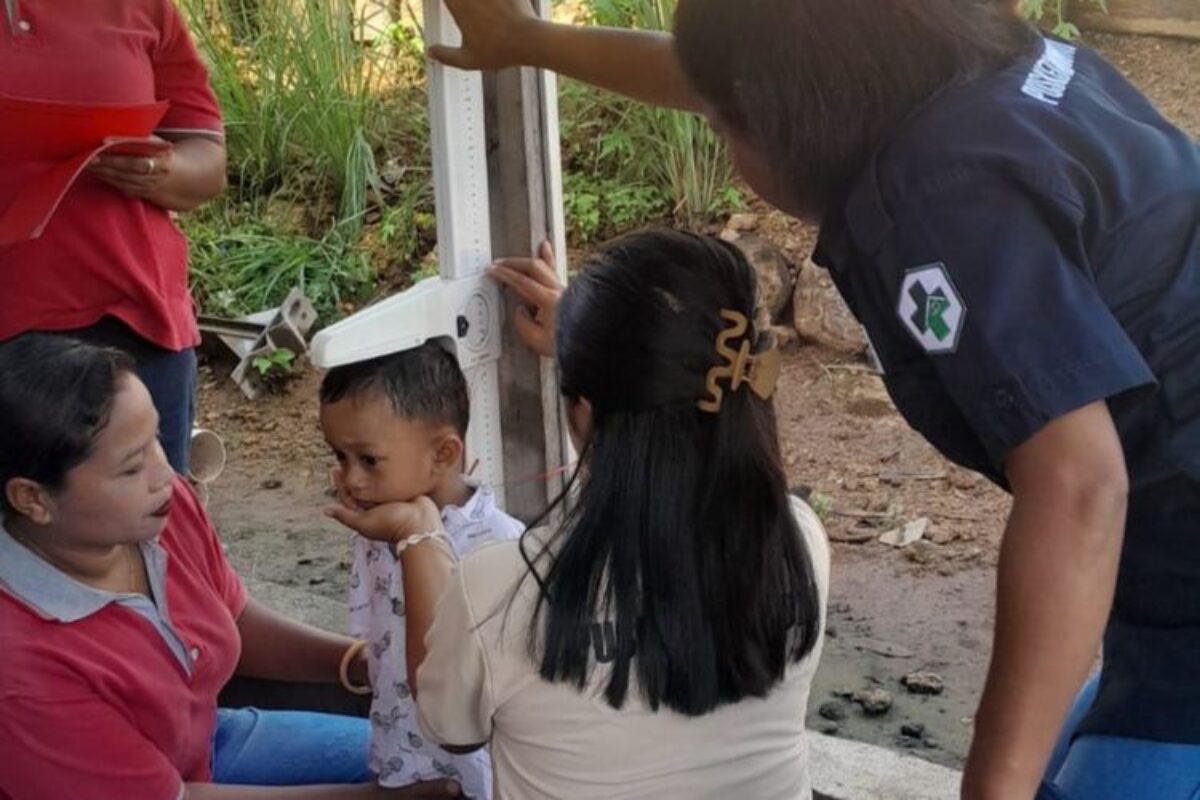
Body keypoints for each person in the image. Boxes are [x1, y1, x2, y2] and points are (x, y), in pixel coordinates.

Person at [426, 2, 1200, 798]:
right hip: (1159, 585)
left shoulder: (944, 195)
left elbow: (1076, 488)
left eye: (730, 130)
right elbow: (724, 83)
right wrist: (525, 41)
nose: (728, 155)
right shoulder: (984, 65)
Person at [336, 231, 831, 799]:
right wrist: (589, 339)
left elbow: (446, 727)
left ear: (584, 413)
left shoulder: (501, 592)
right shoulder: (798, 545)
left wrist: (419, 535)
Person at [0, 333, 463, 800]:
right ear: (33, 499)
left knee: (438, 767)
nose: (165, 474)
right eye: (131, 467)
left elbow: (229, 613)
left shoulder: (158, 510)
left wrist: (360, 661)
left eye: (156, 441)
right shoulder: (19, 670)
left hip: (206, 743)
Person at [0, 0, 229, 473]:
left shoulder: (144, 7)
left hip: (139, 326)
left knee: (153, 537)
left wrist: (157, 170)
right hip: (10, 330)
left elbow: (207, 161)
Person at [319, 342, 524, 798]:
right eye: (339, 457)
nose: (350, 480)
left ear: (444, 455)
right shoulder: (379, 525)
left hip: (478, 776)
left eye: (368, 460)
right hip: (402, 752)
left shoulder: (501, 550)